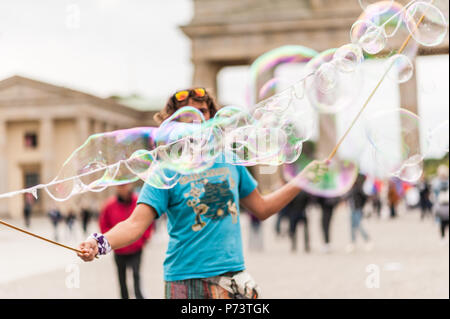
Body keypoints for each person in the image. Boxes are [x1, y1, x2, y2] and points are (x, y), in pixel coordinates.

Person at [77, 87, 327, 299]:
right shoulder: (164, 170)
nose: (195, 119)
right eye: (186, 113)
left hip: (232, 278)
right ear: (172, 124)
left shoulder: (229, 160)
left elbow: (262, 209)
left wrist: (301, 180)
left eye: (203, 111)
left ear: (214, 118)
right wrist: (99, 243)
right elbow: (134, 224)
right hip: (186, 283)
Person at [99, 183, 154, 299]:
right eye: (119, 186)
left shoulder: (139, 201)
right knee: (121, 279)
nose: (122, 188)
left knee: (136, 275)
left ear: (129, 185)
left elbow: (148, 221)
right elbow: (104, 225)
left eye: (124, 185)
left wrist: (143, 239)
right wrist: (110, 241)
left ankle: (139, 296)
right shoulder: (109, 205)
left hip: (136, 248)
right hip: (119, 249)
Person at [346, 174, 372, 252]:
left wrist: (361, 206)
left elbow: (364, 197)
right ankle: (353, 243)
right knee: (352, 226)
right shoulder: (351, 188)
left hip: (357, 209)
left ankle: (367, 240)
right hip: (352, 209)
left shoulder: (358, 188)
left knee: (358, 225)